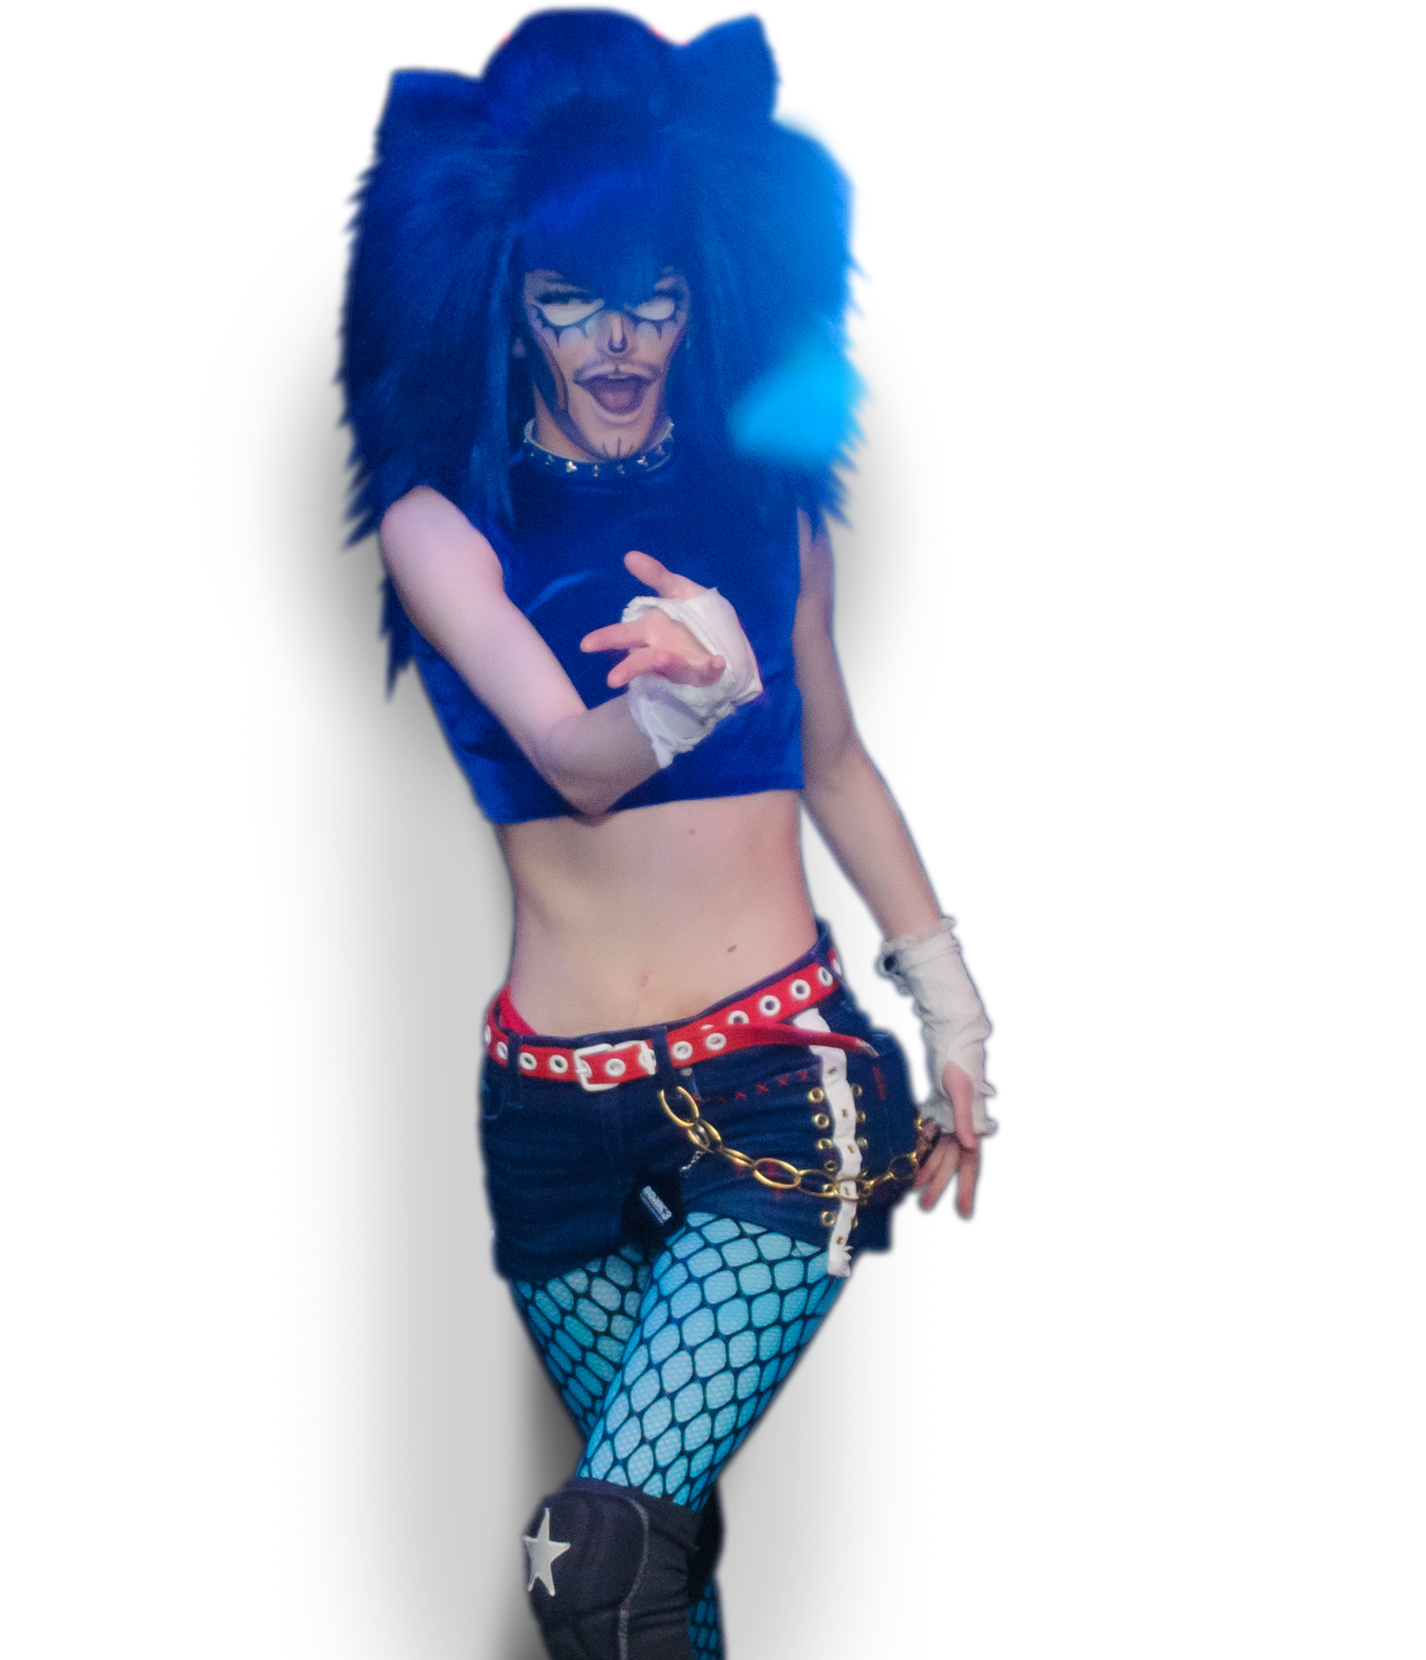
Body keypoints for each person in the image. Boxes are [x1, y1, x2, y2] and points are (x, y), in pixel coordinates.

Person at [334, 8, 997, 1656]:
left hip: (782, 1078)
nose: (617, 339)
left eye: (653, 297)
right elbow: (573, 762)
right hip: (544, 1119)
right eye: (572, 299)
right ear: (510, 305)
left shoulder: (766, 516)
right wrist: (687, 703)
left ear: (701, 296)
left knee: (597, 1557)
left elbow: (837, 764)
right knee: (665, 1568)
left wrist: (954, 1019)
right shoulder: (440, 526)